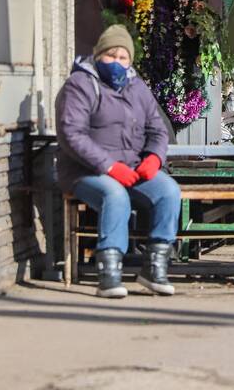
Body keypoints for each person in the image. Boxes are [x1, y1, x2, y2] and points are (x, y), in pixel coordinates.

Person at [56, 24, 180, 299]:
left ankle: (155, 267)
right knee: (115, 196)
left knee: (168, 191)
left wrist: (154, 158)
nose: (117, 62)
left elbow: (157, 130)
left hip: (132, 167)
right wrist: (109, 167)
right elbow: (71, 133)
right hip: (85, 170)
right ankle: (109, 273)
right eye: (111, 55)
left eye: (123, 57)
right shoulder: (80, 84)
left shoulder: (137, 86)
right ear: (98, 55)